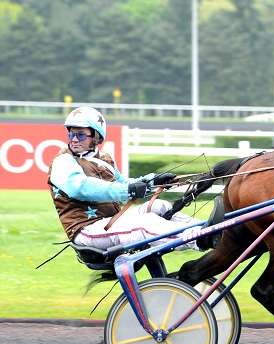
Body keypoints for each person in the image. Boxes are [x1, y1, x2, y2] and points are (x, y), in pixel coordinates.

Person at [47, 106, 223, 252]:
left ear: (97, 136)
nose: (74, 140)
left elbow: (124, 184)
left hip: (111, 221)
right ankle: (199, 240)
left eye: (81, 135)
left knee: (159, 206)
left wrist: (153, 181)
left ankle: (210, 230)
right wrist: (128, 190)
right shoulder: (63, 161)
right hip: (86, 230)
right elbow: (81, 188)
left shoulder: (105, 158)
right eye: (71, 134)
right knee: (144, 224)